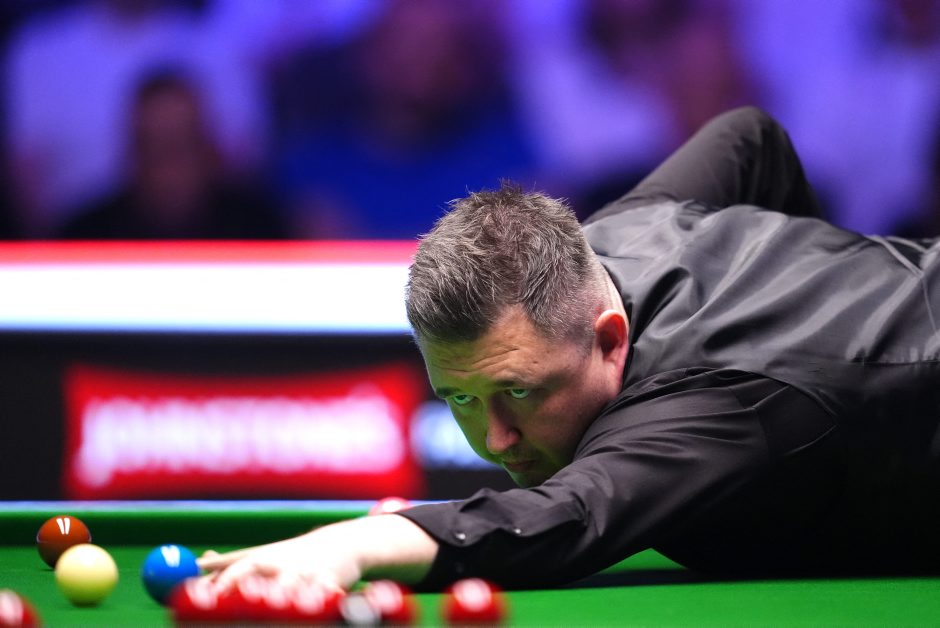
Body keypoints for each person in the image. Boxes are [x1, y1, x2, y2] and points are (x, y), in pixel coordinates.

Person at [198, 107, 940, 593]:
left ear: (610, 338)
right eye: (460, 399)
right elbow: (749, 138)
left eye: (518, 392)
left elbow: (569, 517)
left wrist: (362, 545)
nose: (495, 439)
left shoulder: (708, 400)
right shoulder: (603, 247)